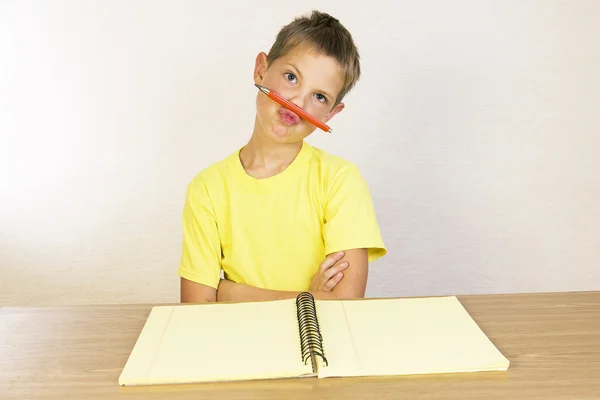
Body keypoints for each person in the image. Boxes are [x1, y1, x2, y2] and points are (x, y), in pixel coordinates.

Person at [178, 10, 386, 303]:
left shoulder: (340, 180)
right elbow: (197, 307)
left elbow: (346, 302)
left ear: (331, 113)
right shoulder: (207, 188)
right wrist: (309, 295)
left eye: (319, 97)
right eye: (291, 77)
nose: (298, 101)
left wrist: (226, 291)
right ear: (261, 70)